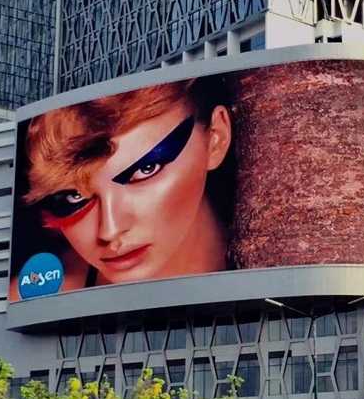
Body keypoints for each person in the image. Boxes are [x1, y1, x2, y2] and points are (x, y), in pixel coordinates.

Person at [18, 76, 234, 291]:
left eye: (146, 169)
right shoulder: (39, 295)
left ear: (216, 138)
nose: (109, 231)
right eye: (75, 195)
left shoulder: (255, 267)